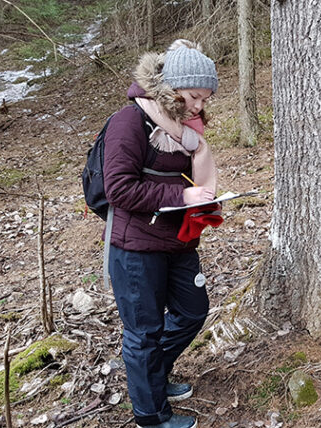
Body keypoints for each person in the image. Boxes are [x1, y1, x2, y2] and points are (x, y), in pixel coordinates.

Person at [102, 39, 219, 428]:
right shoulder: (129, 122)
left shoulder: (187, 131)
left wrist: (205, 200)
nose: (199, 106)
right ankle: (151, 415)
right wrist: (182, 194)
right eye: (192, 96)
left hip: (178, 241)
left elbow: (190, 179)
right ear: (171, 88)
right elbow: (118, 188)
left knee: (192, 311)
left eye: (204, 98)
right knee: (144, 332)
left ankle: (151, 377)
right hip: (135, 248)